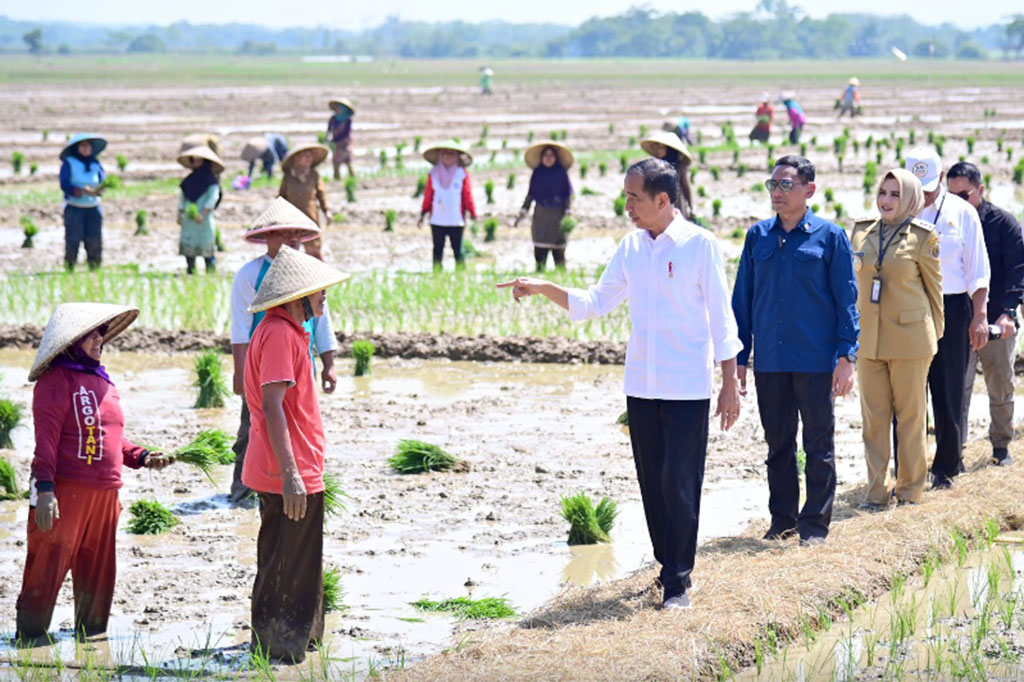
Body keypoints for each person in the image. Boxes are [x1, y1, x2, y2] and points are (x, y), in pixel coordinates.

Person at [497, 158, 743, 610]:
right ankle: (666, 566)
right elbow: (594, 302)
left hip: (687, 386)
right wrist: (543, 286)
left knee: (679, 481)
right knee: (652, 483)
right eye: (626, 195)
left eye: (634, 197)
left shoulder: (699, 245)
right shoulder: (632, 248)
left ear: (663, 200)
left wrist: (730, 382)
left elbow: (721, 320)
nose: (626, 205)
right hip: (642, 385)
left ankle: (678, 581)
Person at [16, 303, 175, 640]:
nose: (98, 340)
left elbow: (110, 438)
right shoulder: (55, 381)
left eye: (101, 333)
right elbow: (45, 440)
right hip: (64, 492)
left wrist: (143, 456)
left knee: (98, 573)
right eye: (90, 335)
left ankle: (92, 640)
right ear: (71, 342)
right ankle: (30, 638)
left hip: (106, 496)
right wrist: (45, 490)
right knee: (47, 565)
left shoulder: (103, 382)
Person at [731, 155, 859, 545]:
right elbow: (742, 299)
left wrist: (846, 357)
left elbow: (847, 301)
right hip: (770, 359)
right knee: (778, 443)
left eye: (786, 185)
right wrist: (739, 358)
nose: (777, 192)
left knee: (818, 443)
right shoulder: (758, 237)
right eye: (773, 185)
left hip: (815, 360)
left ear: (809, 190)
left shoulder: (830, 236)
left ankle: (815, 526)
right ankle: (782, 520)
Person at [242, 245, 349, 662]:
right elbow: (272, 406)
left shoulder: (286, 331)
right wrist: (291, 473)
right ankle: (280, 649)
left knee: (298, 559)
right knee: (288, 563)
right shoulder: (281, 334)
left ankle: (299, 641)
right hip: (286, 470)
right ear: (295, 297)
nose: (324, 297)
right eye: (318, 291)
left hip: (296, 465)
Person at [228, 197, 338, 506]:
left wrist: (328, 362)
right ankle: (244, 491)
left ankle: (291, 481)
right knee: (254, 428)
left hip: (301, 363)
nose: (292, 239)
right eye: (284, 233)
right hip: (265, 366)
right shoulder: (250, 274)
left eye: (296, 234)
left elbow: (323, 321)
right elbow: (240, 326)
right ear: (268, 237)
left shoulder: (311, 273)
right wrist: (240, 371)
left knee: (298, 426)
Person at [851, 169, 943, 509]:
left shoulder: (923, 236)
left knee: (910, 418)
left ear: (910, 200)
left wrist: (933, 339)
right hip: (869, 340)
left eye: (895, 194)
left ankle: (909, 493)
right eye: (883, 193)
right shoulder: (861, 232)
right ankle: (876, 494)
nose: (886, 201)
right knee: (873, 421)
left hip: (910, 341)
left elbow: (935, 294)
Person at [905, 148, 990, 489]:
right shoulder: (897, 210)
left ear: (940, 178)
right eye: (916, 185)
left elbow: (978, 268)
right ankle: (908, 470)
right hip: (909, 308)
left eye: (927, 184)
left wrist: (980, 315)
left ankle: (947, 468)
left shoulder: (962, 212)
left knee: (949, 388)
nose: (922, 193)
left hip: (953, 309)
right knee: (909, 392)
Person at [948, 161, 1023, 467]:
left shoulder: (1003, 223)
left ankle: (1001, 446)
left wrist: (1008, 313)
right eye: (950, 196)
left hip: (995, 321)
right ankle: (954, 452)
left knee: (1001, 384)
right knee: (956, 390)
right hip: (957, 323)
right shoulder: (948, 223)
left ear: (980, 190)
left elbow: (1019, 271)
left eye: (963, 195)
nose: (957, 202)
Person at [417, 141, 477, 270]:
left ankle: (461, 275)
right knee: (438, 248)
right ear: (440, 156)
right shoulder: (433, 174)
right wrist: (423, 212)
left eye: (451, 154)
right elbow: (428, 195)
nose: (448, 157)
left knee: (458, 248)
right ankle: (437, 275)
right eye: (445, 154)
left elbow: (467, 195)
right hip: (438, 219)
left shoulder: (461, 174)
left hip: (456, 219)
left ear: (456, 157)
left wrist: (472, 212)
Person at [515, 142, 574, 271]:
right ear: (541, 157)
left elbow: (567, 195)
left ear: (556, 158)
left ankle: (561, 281)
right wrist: (523, 211)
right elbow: (530, 195)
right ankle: (540, 276)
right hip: (540, 218)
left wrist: (568, 211)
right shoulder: (537, 174)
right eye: (545, 155)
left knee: (559, 254)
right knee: (540, 253)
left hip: (558, 217)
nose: (548, 158)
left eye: (551, 155)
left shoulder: (561, 174)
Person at [58, 133, 107, 271]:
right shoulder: (69, 163)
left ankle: (94, 268)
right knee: (73, 240)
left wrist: (99, 189)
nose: (87, 148)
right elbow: (64, 184)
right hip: (74, 207)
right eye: (83, 145)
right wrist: (81, 190)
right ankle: (70, 268)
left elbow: (103, 180)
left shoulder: (95, 163)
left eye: (89, 145)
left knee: (94, 239)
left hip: (93, 207)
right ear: (77, 148)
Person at [278, 143, 331, 261]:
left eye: (310, 157)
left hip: (310, 218)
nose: (309, 159)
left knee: (314, 252)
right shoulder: (288, 177)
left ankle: (321, 276)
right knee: (291, 253)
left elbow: (322, 194)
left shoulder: (314, 175)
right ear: (297, 158)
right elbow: (281, 197)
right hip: (291, 220)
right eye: (305, 156)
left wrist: (327, 210)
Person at [177, 144, 224, 274]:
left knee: (206, 246)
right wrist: (180, 214)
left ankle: (211, 272)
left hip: (203, 220)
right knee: (189, 246)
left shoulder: (212, 182)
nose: (194, 162)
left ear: (205, 162)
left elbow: (213, 199)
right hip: (189, 219)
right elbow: (182, 199)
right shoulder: (188, 181)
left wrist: (202, 214)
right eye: (193, 159)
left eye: (197, 159)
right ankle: (190, 270)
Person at [640, 131, 694, 219]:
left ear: (669, 149)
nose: (659, 150)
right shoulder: (656, 167)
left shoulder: (680, 168)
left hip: (676, 203)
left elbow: (686, 187)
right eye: (657, 148)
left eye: (661, 148)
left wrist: (691, 207)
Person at [326, 98, 355, 181]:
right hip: (336, 144)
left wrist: (336, 140)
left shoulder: (348, 120)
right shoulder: (333, 119)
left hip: (345, 143)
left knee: (348, 161)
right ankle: (337, 180)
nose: (338, 110)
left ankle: (353, 178)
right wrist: (328, 139)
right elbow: (329, 130)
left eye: (340, 108)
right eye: (337, 108)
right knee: (336, 163)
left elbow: (346, 133)